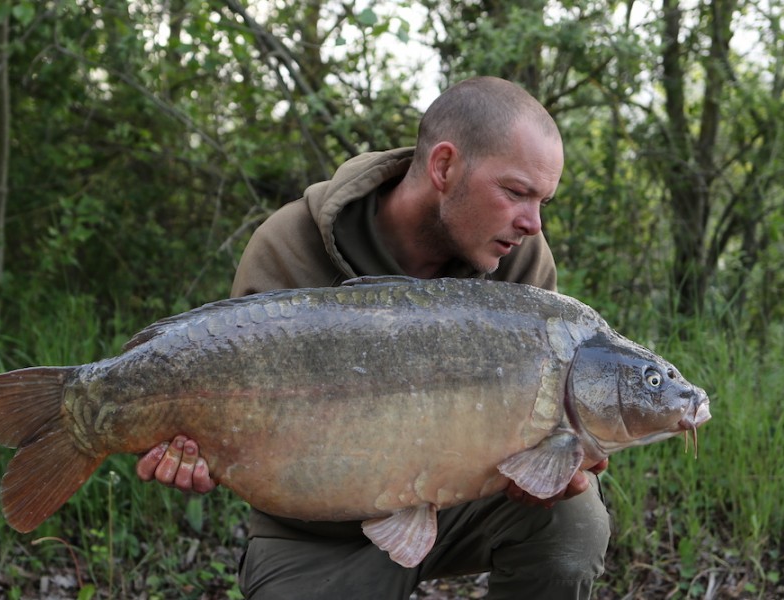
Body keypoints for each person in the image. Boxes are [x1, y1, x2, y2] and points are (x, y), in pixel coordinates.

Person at [135, 76, 611, 599]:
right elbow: (238, 413)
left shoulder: (519, 257)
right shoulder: (287, 244)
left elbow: (543, 426)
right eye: (517, 192)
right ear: (445, 167)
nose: (532, 224)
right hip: (315, 530)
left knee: (574, 522)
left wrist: (548, 469)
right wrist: (205, 449)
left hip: (462, 502)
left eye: (543, 200)